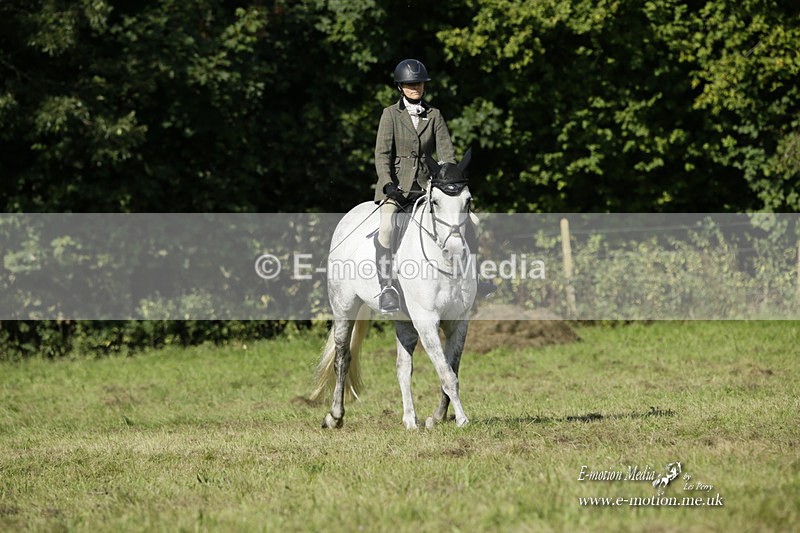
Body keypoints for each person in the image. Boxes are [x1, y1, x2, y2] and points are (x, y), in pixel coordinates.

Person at [373, 59, 495, 314]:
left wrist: (447, 182)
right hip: (397, 187)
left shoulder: (435, 115)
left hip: (430, 187)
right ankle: (387, 288)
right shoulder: (390, 115)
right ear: (400, 87)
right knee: (386, 227)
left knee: (472, 222)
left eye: (418, 83)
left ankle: (475, 276)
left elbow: (447, 155)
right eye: (409, 84)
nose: (415, 87)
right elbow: (382, 155)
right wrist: (387, 185)